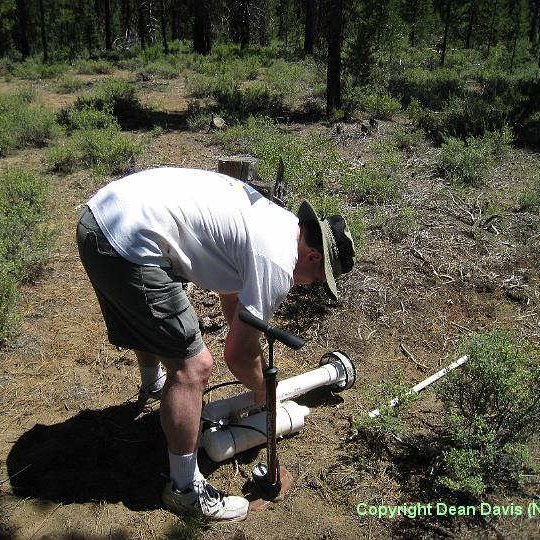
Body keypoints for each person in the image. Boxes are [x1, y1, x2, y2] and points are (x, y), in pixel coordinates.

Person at [76, 167, 354, 522]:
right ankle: (184, 490)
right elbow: (237, 356)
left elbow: (232, 294)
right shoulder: (278, 260)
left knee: (151, 319)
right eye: (318, 279)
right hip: (127, 244)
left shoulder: (276, 222)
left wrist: (243, 338)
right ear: (314, 257)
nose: (311, 285)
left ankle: (153, 385)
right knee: (194, 367)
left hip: (100, 220)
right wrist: (263, 392)